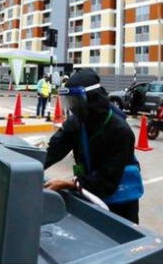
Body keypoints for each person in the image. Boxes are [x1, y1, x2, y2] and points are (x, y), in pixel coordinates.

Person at [43, 69, 140, 223]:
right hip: (88, 190)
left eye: (75, 101)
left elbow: (107, 182)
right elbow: (54, 149)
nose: (72, 106)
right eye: (69, 101)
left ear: (90, 99)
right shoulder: (76, 121)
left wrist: (69, 183)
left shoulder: (120, 131)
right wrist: (32, 166)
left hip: (120, 202)